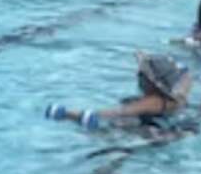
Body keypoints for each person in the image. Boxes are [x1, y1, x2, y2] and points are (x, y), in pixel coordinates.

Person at [57, 53, 192, 129]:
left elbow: (117, 112)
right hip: (164, 125)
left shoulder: (153, 101)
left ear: (148, 82)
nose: (137, 75)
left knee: (113, 129)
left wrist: (68, 114)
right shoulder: (177, 97)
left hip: (149, 133)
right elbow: (186, 77)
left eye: (141, 74)